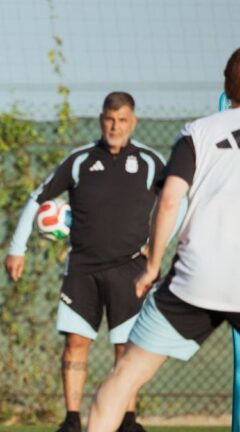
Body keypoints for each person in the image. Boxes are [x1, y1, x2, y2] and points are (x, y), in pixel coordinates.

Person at [87, 48, 240, 432]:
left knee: (123, 379)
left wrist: (152, 265)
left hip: (195, 278)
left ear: (226, 85)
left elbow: (170, 199)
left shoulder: (199, 132)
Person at [4, 92, 167, 432]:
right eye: (110, 119)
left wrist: (158, 246)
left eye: (122, 120)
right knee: (76, 342)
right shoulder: (80, 160)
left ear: (133, 122)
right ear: (101, 119)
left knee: (126, 347)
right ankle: (72, 420)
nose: (115, 126)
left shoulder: (152, 162)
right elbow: (38, 198)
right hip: (82, 268)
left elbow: (177, 202)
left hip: (131, 268)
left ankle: (128, 420)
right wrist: (17, 247)